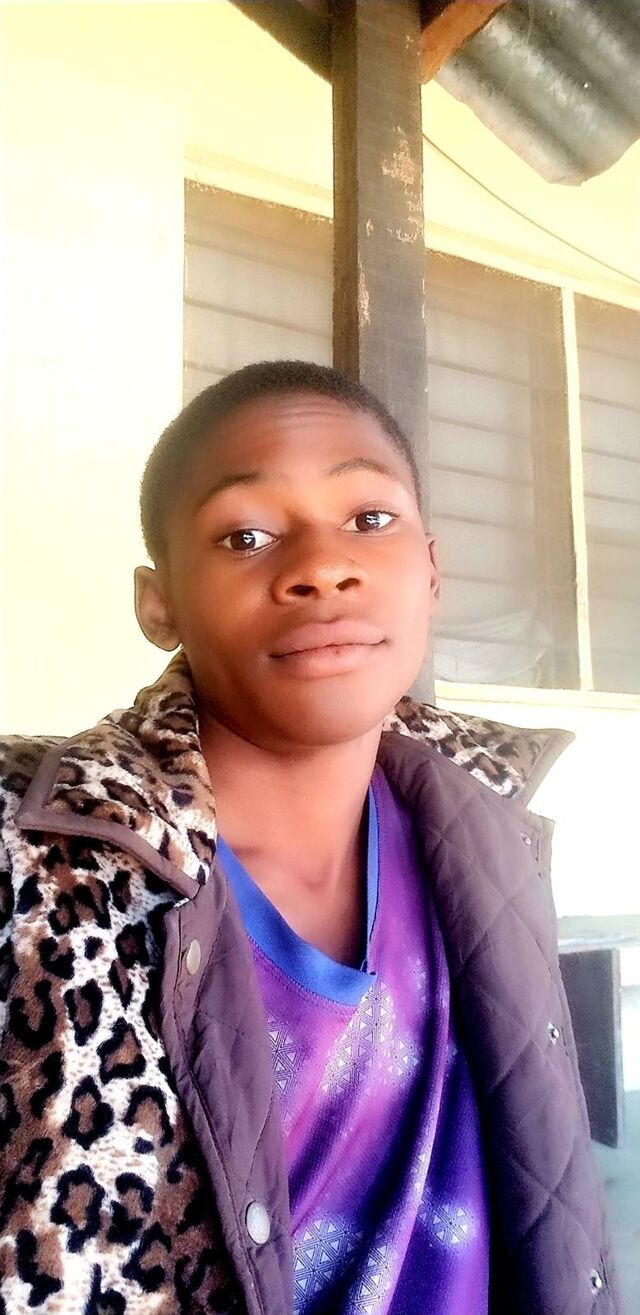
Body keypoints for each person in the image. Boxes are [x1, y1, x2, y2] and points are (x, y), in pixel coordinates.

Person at [0, 361, 617, 1315]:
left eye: (368, 518)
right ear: (160, 603)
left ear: (431, 570)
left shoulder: (488, 828)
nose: (323, 566)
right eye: (245, 535)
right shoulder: (40, 853)